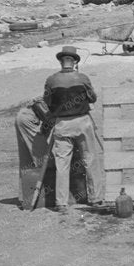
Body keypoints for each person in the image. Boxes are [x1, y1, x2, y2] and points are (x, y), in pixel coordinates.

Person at [39, 47, 98, 211]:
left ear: (60, 61)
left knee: (62, 164)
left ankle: (61, 203)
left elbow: (47, 102)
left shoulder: (51, 80)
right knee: (90, 159)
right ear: (75, 62)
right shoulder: (82, 77)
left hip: (62, 124)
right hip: (82, 121)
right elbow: (93, 97)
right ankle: (95, 198)